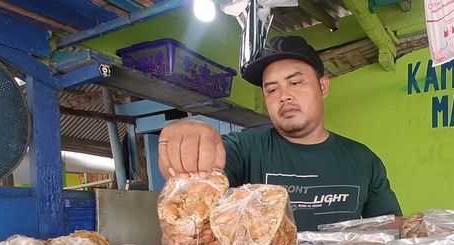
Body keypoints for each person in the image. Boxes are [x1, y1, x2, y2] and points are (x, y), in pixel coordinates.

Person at [157, 36, 402, 231]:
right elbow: (193, 176)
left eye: (295, 83)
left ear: (323, 86)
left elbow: (390, 227)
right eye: (271, 89)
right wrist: (187, 135)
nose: (283, 96)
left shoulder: (363, 160)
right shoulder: (245, 148)